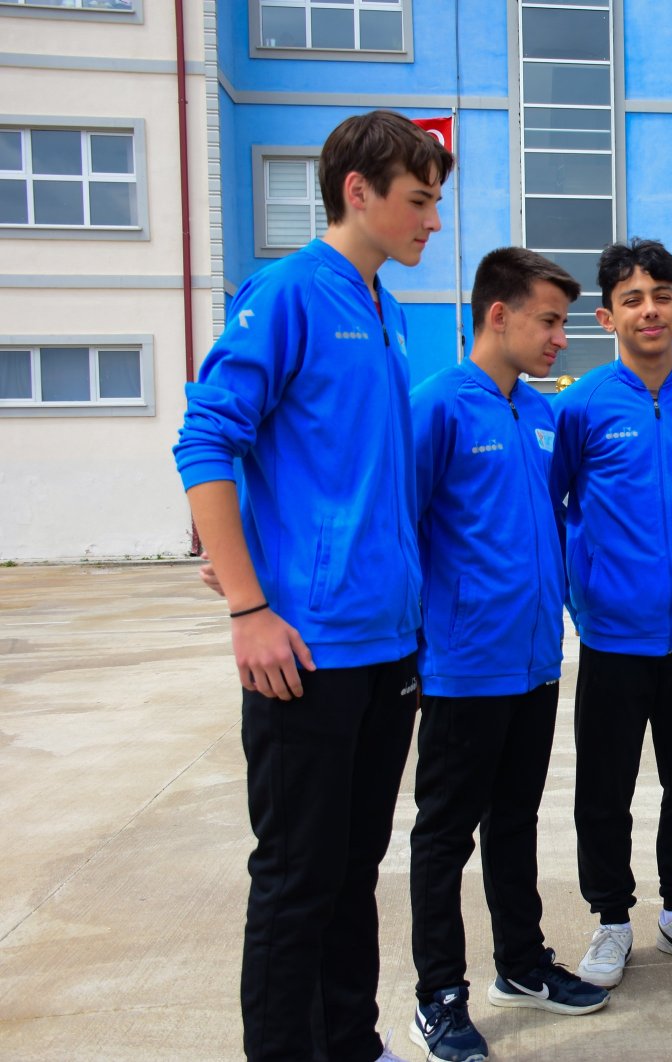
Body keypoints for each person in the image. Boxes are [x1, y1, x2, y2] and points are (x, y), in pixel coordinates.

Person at [172, 110, 452, 1062]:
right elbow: (207, 440)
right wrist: (250, 605)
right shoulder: (288, 293)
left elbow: (348, 472)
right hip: (304, 649)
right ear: (357, 193)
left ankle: (352, 1041)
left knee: (353, 867)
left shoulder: (388, 308)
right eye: (419, 201)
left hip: (388, 645)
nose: (432, 222)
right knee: (295, 877)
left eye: (437, 203)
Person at [406, 249, 609, 1062]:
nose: (563, 337)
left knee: (516, 821)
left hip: (534, 662)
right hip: (462, 666)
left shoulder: (536, 413)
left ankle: (521, 965)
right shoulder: (437, 408)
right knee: (445, 835)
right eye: (550, 321)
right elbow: (401, 527)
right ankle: (439, 994)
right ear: (499, 315)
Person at [550, 238, 672, 989]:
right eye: (632, 299)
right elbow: (557, 501)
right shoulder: (583, 405)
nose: (650, 309)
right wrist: (587, 584)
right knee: (604, 787)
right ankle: (609, 919)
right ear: (607, 316)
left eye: (661, 295)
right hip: (613, 633)